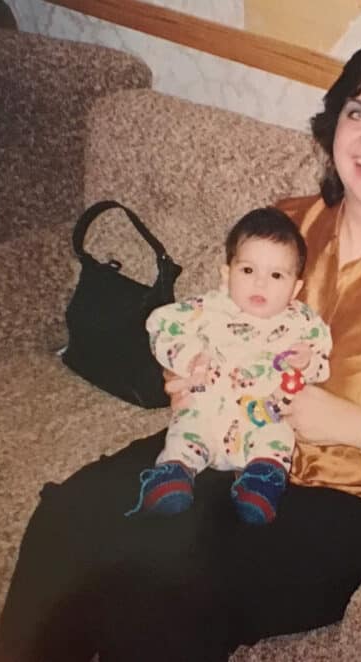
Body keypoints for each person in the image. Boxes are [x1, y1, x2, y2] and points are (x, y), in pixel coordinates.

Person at [0, 33, 361, 662]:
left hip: (353, 500)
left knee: (155, 601)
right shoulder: (291, 225)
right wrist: (186, 370)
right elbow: (213, 320)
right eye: (357, 111)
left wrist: (357, 425)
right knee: (66, 520)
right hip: (232, 439)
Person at [128, 207, 331, 522]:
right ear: (226, 274)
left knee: (278, 437)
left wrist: (306, 363)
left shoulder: (302, 323)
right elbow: (159, 326)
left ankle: (261, 481)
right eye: (248, 271)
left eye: (276, 275)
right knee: (187, 429)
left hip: (261, 414)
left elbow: (322, 362)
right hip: (207, 406)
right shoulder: (206, 308)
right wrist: (188, 356)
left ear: (295, 288)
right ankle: (174, 475)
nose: (260, 284)